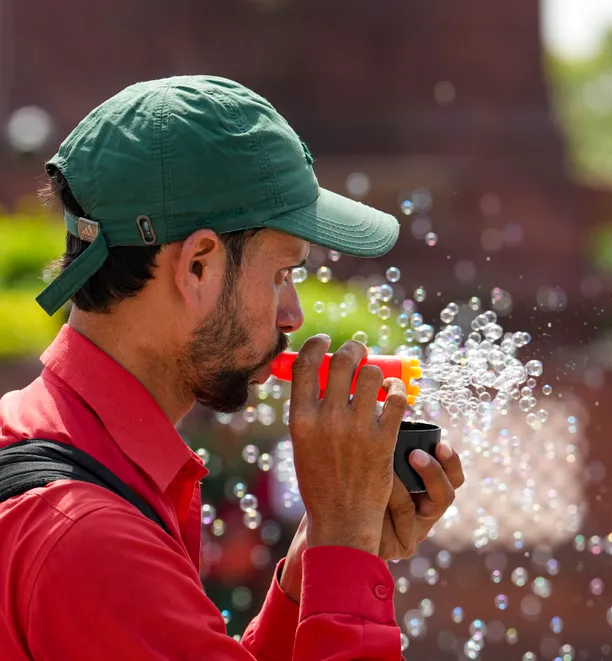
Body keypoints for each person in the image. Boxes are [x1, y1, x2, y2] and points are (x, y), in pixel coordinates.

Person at [0, 75, 464, 660]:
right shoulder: (91, 541)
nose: (293, 314)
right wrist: (345, 544)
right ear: (197, 265)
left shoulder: (49, 443)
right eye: (281, 274)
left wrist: (320, 553)